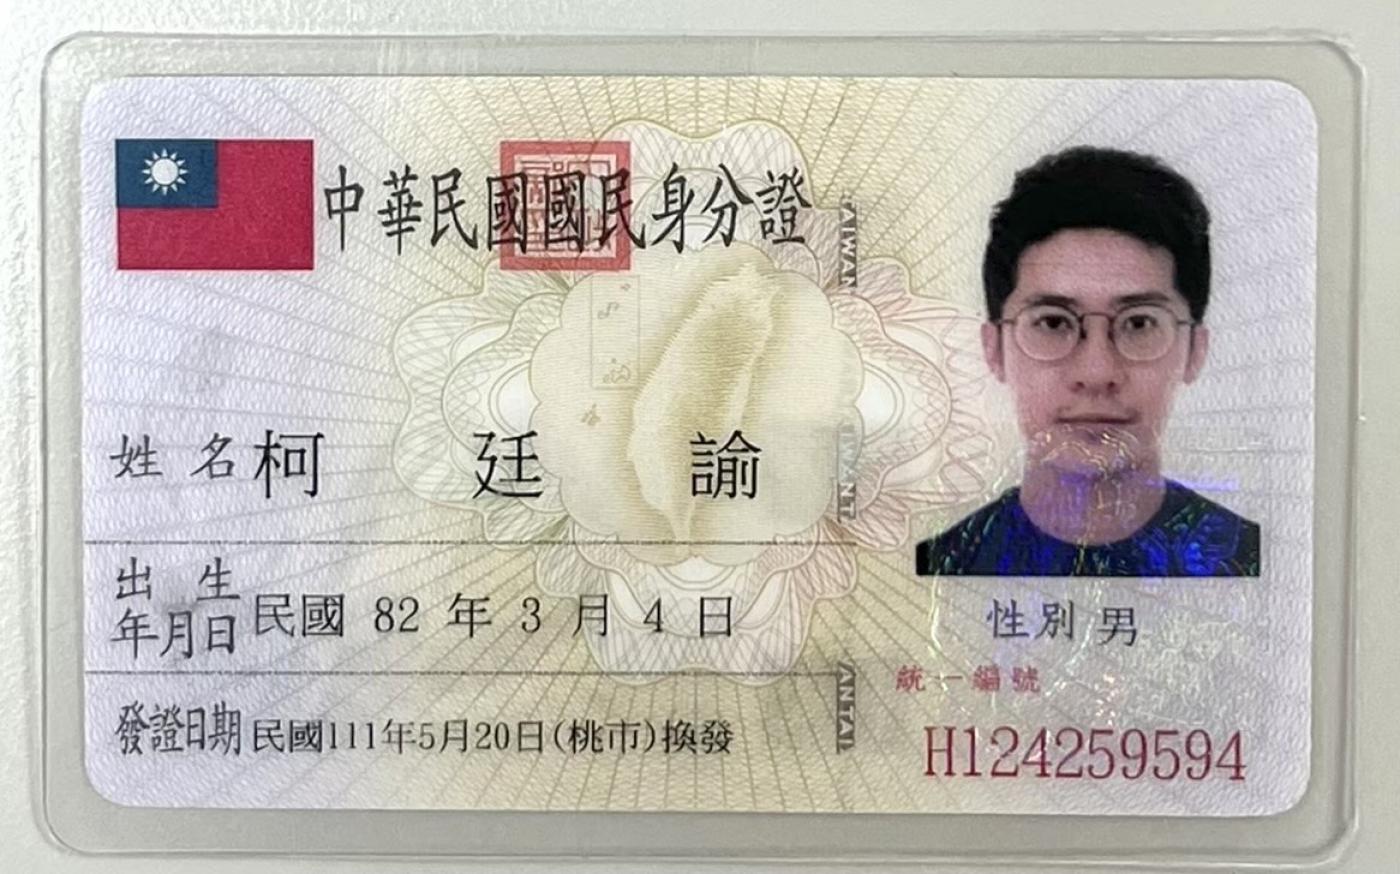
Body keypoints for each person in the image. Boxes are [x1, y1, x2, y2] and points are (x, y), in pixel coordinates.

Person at [916, 146, 1260, 577]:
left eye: (1138, 323)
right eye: (1053, 322)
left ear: (1195, 351)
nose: (1097, 373)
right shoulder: (940, 570)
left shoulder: (1251, 565)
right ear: (994, 349)